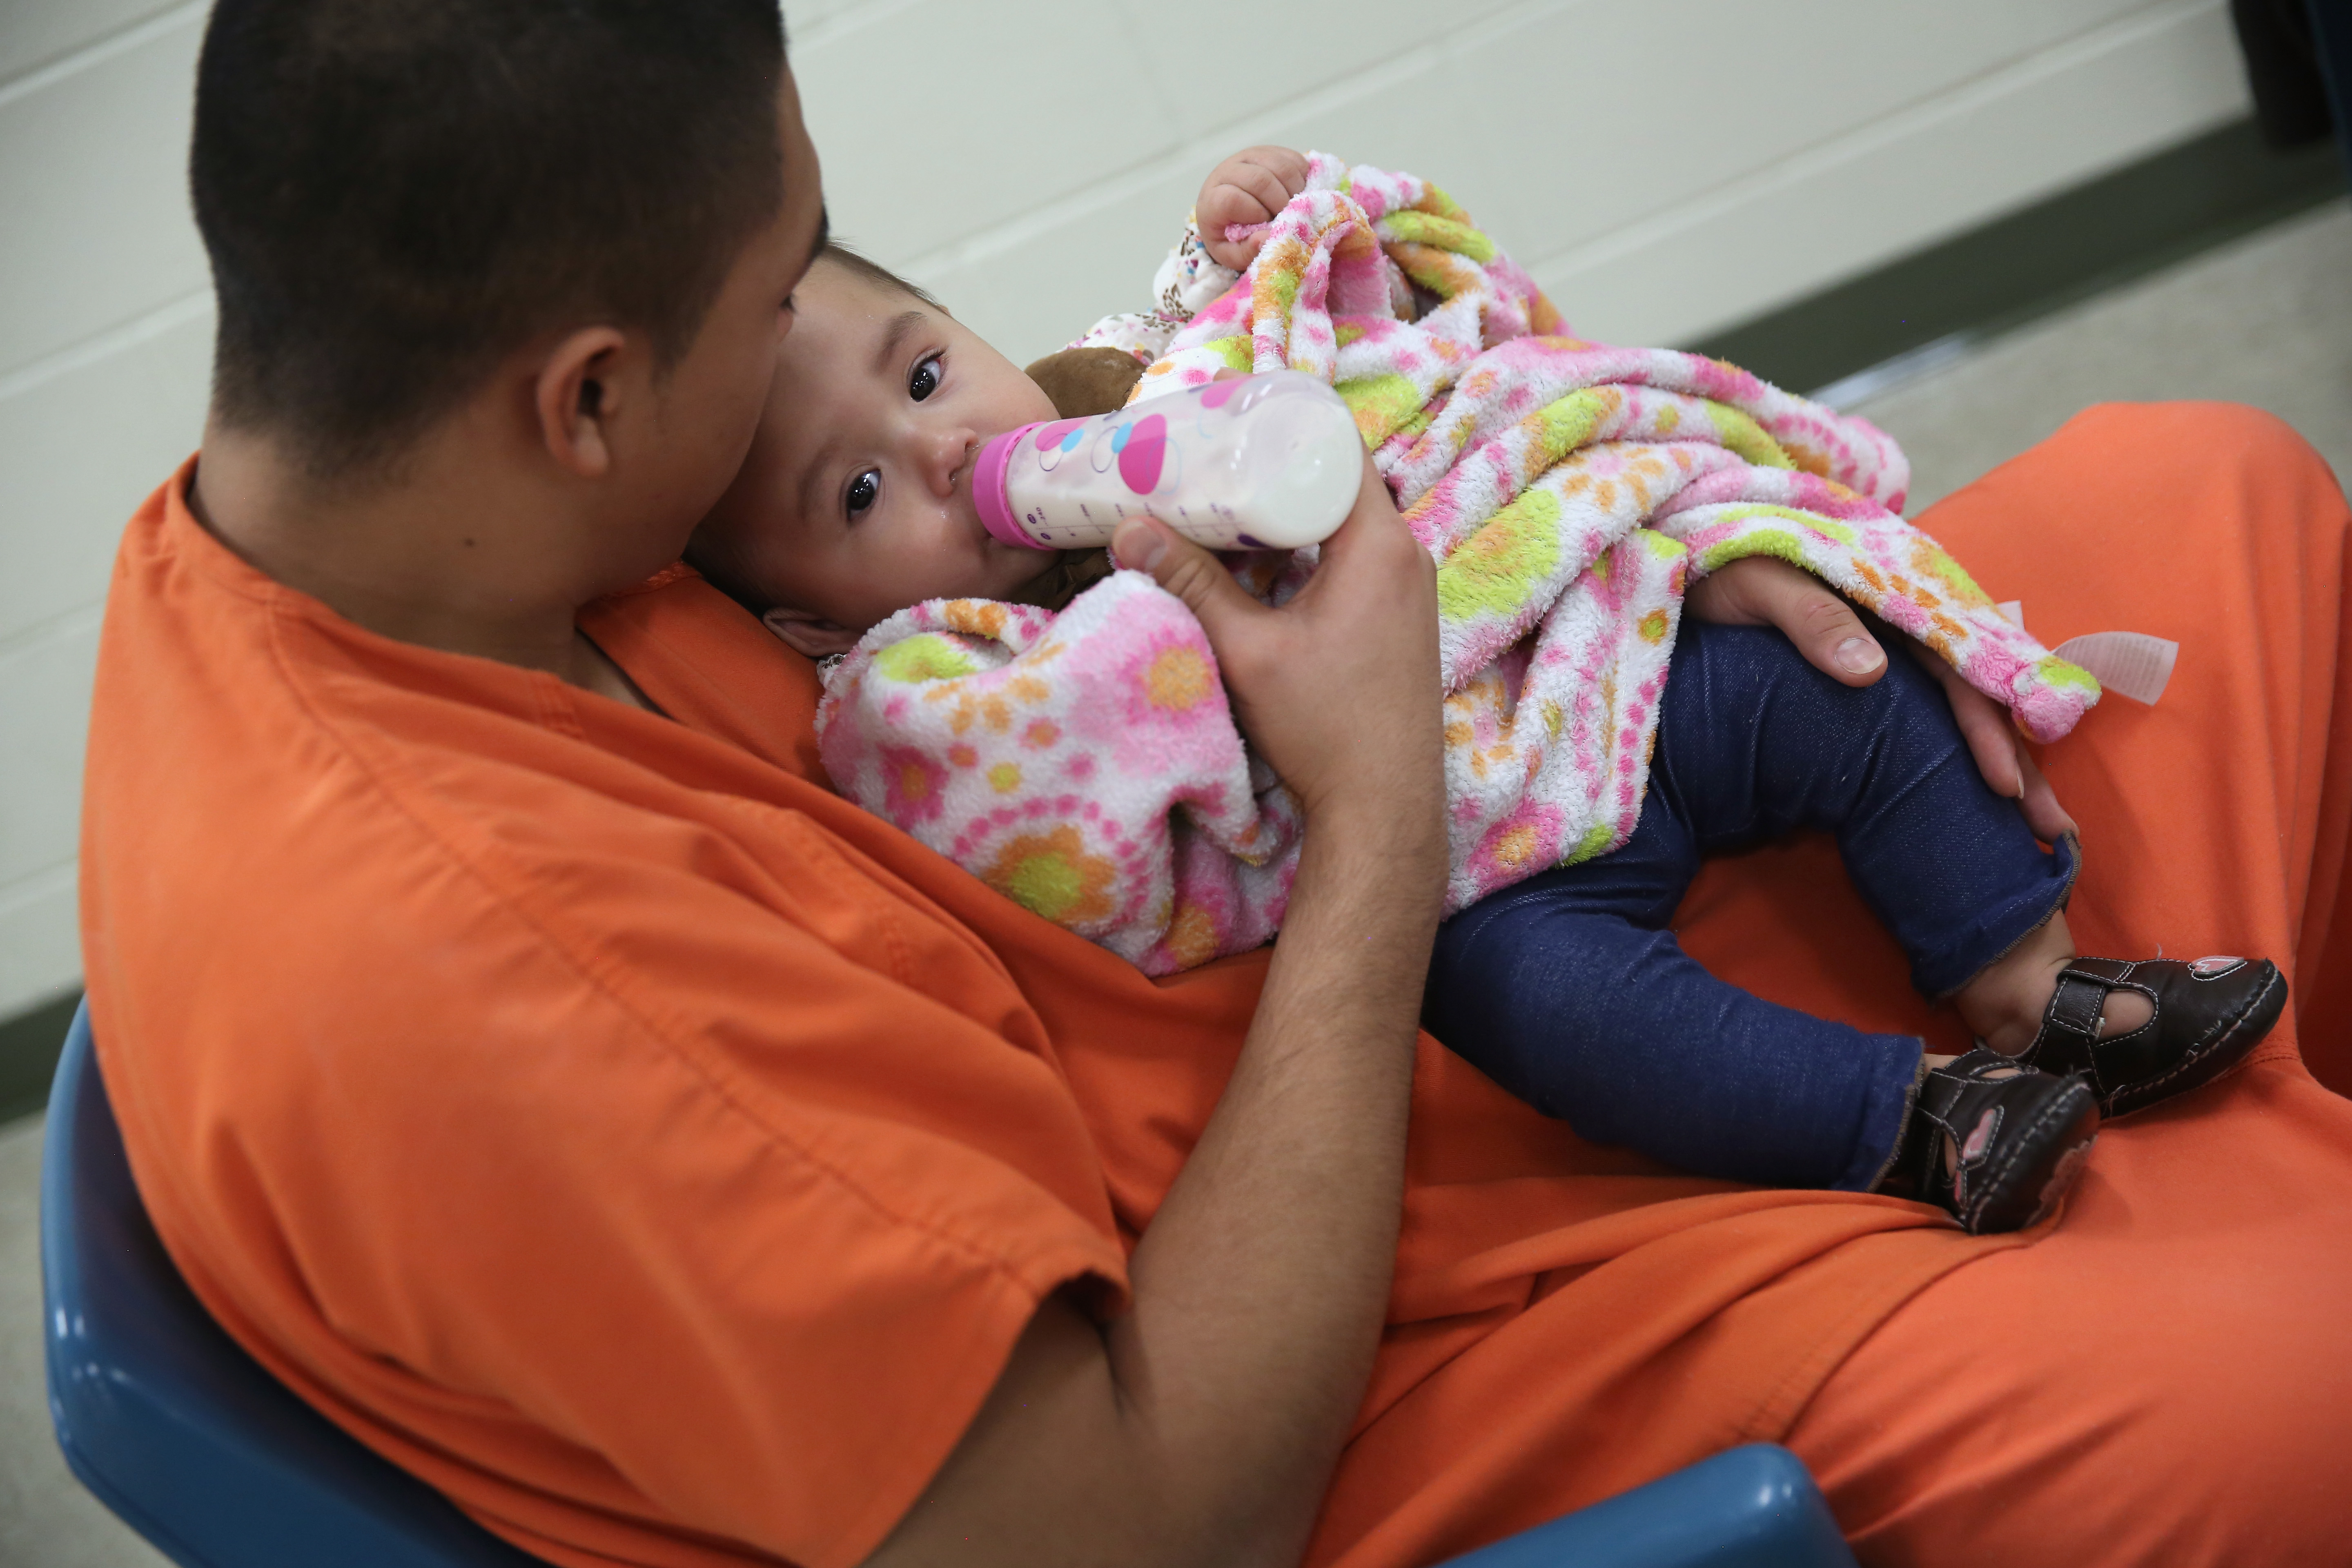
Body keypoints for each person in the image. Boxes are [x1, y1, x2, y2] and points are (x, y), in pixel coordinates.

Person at [81, 4, 2352, 1567]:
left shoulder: (387, 526)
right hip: (1357, 1329)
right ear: (585, 405)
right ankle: (2039, 1147)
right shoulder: (490, 981)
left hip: (1333, 955)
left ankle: (2143, 1071)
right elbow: (1145, 1525)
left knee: (2212, 499)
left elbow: (995, 564)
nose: (829, 342)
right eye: (772, 287)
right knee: (2289, 1379)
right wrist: (1380, 817)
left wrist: (1594, 578)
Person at [685, 178, 2279, 1233]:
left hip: (1578, 686)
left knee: (1835, 683)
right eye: (864, 488)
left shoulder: (1125, 405)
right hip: (1468, 875)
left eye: (923, 376)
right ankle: (1925, 1120)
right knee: (1554, 1013)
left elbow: (1293, 331)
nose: (955, 454)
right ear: (813, 613)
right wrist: (1152, 606)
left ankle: (2036, 983)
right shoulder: (925, 688)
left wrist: (1258, 242)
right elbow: (1070, 816)